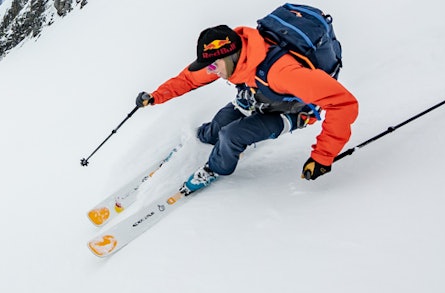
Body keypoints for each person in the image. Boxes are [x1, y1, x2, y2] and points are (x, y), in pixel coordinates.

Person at [137, 24, 358, 193]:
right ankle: (205, 136)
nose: (211, 72)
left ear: (230, 56)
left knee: (231, 135)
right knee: (220, 122)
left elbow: (342, 103)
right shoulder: (234, 57)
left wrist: (322, 157)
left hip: (291, 113)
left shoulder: (282, 72)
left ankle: (216, 168)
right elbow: (189, 78)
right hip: (258, 98)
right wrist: (156, 96)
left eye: (213, 66)